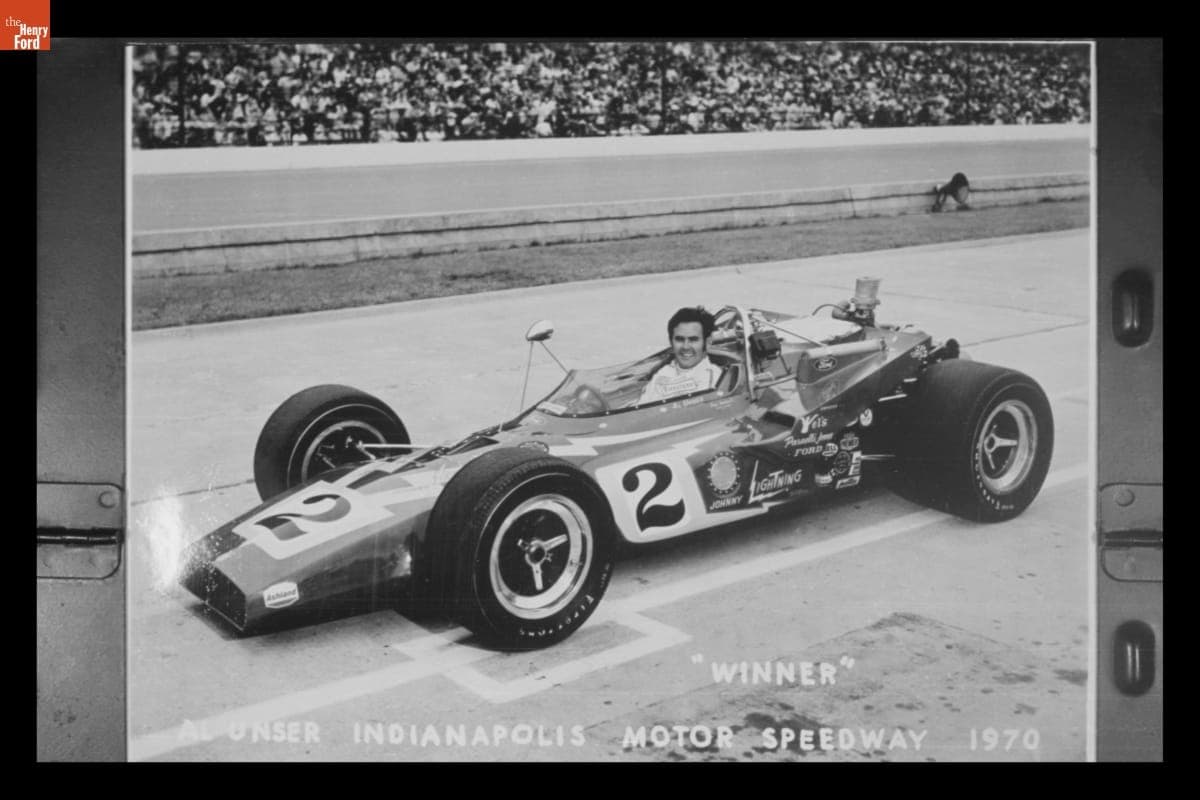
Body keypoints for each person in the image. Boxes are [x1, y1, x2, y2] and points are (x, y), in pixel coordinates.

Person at [638, 307, 723, 405]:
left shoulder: (715, 381)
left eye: (693, 339)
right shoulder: (661, 374)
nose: (686, 347)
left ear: (707, 342)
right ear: (671, 342)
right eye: (679, 339)